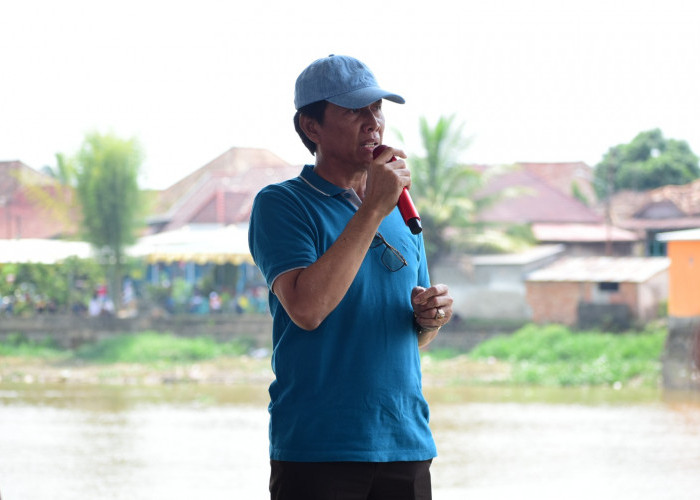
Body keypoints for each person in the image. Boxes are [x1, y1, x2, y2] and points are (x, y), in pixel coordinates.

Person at [248, 54, 454, 500]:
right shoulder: (283, 205)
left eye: (377, 109)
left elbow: (411, 336)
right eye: (353, 110)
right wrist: (373, 207)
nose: (373, 122)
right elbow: (307, 309)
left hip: (406, 444)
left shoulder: (401, 210)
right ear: (311, 126)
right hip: (319, 450)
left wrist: (430, 319)